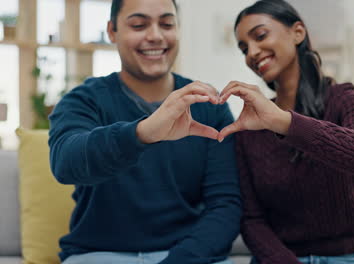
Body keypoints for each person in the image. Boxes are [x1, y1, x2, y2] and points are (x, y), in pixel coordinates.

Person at [48, 0, 241, 263]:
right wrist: (141, 133)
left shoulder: (209, 106)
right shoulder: (84, 100)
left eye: (167, 24)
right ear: (112, 31)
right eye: (139, 25)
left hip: (185, 255)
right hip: (100, 254)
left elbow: (225, 205)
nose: (155, 36)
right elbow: (65, 163)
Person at [216, 0, 354, 263]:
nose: (252, 52)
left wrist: (283, 122)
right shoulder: (249, 127)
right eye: (243, 48)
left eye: (260, 36)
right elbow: (252, 219)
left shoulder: (346, 100)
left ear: (298, 32)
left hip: (346, 256)